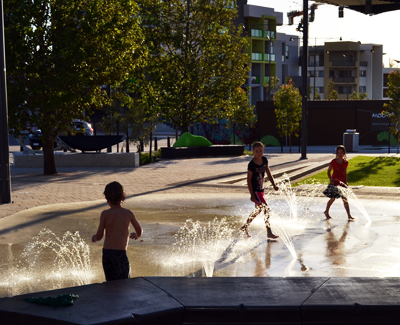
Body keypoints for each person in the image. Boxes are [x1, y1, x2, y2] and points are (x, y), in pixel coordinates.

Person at [92, 181, 142, 281]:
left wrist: (95, 238)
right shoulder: (128, 213)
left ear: (107, 199)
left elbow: (100, 235)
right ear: (123, 197)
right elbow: (139, 230)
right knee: (124, 283)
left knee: (110, 283)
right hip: (120, 254)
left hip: (107, 254)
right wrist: (136, 235)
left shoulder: (105, 214)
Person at [240, 141, 279, 239]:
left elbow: (269, 174)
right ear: (253, 152)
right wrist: (252, 195)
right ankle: (269, 231)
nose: (259, 153)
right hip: (255, 191)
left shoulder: (265, 160)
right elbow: (248, 181)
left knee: (258, 210)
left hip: (261, 190)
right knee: (266, 208)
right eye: (257, 151)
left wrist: (274, 185)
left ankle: (245, 226)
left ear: (263, 151)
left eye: (261, 150)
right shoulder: (251, 164)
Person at [323, 145, 354, 221]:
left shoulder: (345, 162)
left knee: (345, 199)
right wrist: (330, 179)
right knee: (332, 198)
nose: (340, 154)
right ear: (336, 153)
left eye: (341, 153)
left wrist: (346, 182)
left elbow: (345, 173)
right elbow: (329, 171)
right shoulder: (333, 162)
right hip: (334, 183)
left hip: (342, 183)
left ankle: (349, 215)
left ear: (344, 154)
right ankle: (326, 211)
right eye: (338, 152)